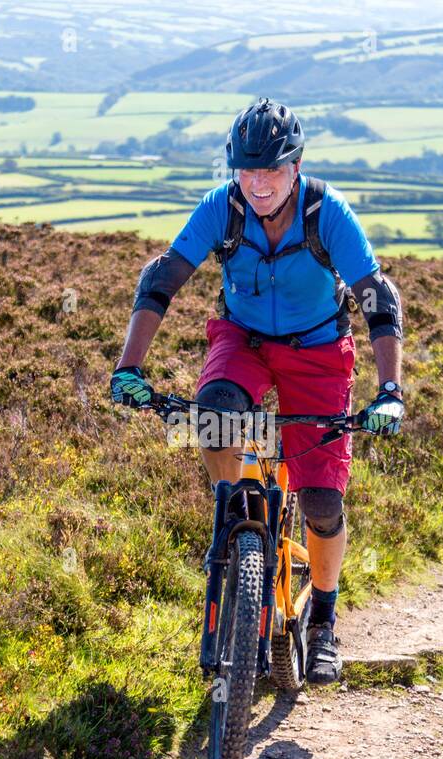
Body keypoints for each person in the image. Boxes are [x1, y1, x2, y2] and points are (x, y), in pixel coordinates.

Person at [109, 98, 405, 684]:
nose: (257, 182)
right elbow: (163, 277)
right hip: (242, 340)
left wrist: (390, 388)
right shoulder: (223, 209)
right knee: (214, 414)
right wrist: (129, 368)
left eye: (270, 170)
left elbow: (378, 299)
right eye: (246, 170)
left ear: (296, 166)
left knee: (322, 504)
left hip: (318, 352)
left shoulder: (328, 214)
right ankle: (232, 517)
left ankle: (322, 623)